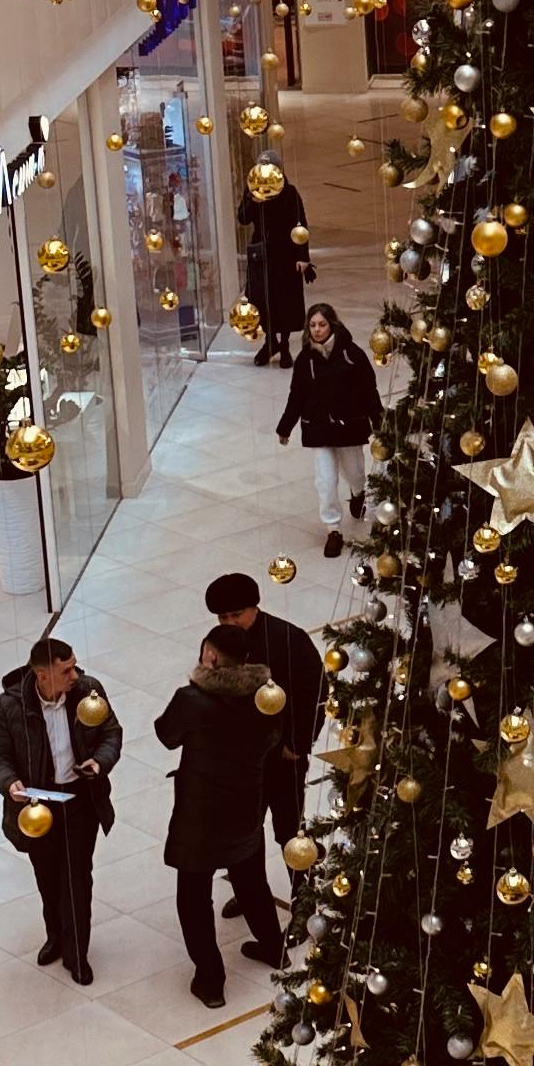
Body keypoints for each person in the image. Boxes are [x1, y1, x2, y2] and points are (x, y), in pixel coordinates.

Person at [0, 633, 122, 986]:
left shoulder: (89, 692)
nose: (75, 676)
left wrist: (99, 763)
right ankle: (56, 936)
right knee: (46, 875)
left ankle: (78, 953)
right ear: (42, 675)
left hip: (79, 801)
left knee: (77, 877)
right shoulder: (9, 705)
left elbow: (111, 733)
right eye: (66, 670)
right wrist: (9, 782)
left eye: (74, 667)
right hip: (36, 806)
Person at [158, 632, 289, 1005]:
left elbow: (166, 735)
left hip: (200, 812)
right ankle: (273, 947)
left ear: (212, 657)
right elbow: (273, 739)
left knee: (194, 896)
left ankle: (211, 979)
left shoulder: (192, 700)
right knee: (251, 879)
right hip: (247, 801)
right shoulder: (266, 696)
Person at [204, 568, 323, 844]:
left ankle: (301, 885)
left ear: (254, 608)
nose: (230, 623)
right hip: (240, 759)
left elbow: (313, 692)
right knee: (245, 831)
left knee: (290, 829)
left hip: (281, 755)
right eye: (223, 617)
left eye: (237, 615)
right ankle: (253, 888)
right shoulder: (216, 645)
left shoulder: (289, 639)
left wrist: (296, 744)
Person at [276, 299, 381, 554]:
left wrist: (379, 421)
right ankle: (333, 529)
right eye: (312, 325)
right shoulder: (305, 360)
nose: (317, 329)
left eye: (322, 324)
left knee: (355, 472)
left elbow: (369, 390)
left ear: (332, 325)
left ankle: (358, 494)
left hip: (349, 427)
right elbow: (297, 395)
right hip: (318, 427)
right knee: (325, 480)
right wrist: (285, 427)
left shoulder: (352, 354)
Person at [242, 166, 314, 363]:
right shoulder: (253, 190)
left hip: (285, 255)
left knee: (285, 302)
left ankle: (284, 345)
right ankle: (270, 342)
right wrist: (251, 199)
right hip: (261, 256)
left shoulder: (289, 193)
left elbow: (300, 224)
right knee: (262, 301)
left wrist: (302, 256)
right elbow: (243, 218)